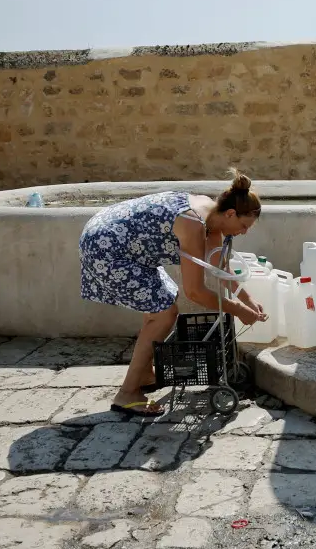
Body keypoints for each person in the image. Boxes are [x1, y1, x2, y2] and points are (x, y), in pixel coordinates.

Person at [79, 170, 268, 416]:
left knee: (163, 300)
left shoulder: (211, 215)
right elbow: (196, 292)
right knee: (165, 313)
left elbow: (220, 269)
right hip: (106, 248)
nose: (244, 232)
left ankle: (145, 374)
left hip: (121, 243)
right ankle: (126, 394)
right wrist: (238, 310)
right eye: (244, 226)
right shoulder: (193, 224)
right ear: (231, 213)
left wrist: (249, 300)